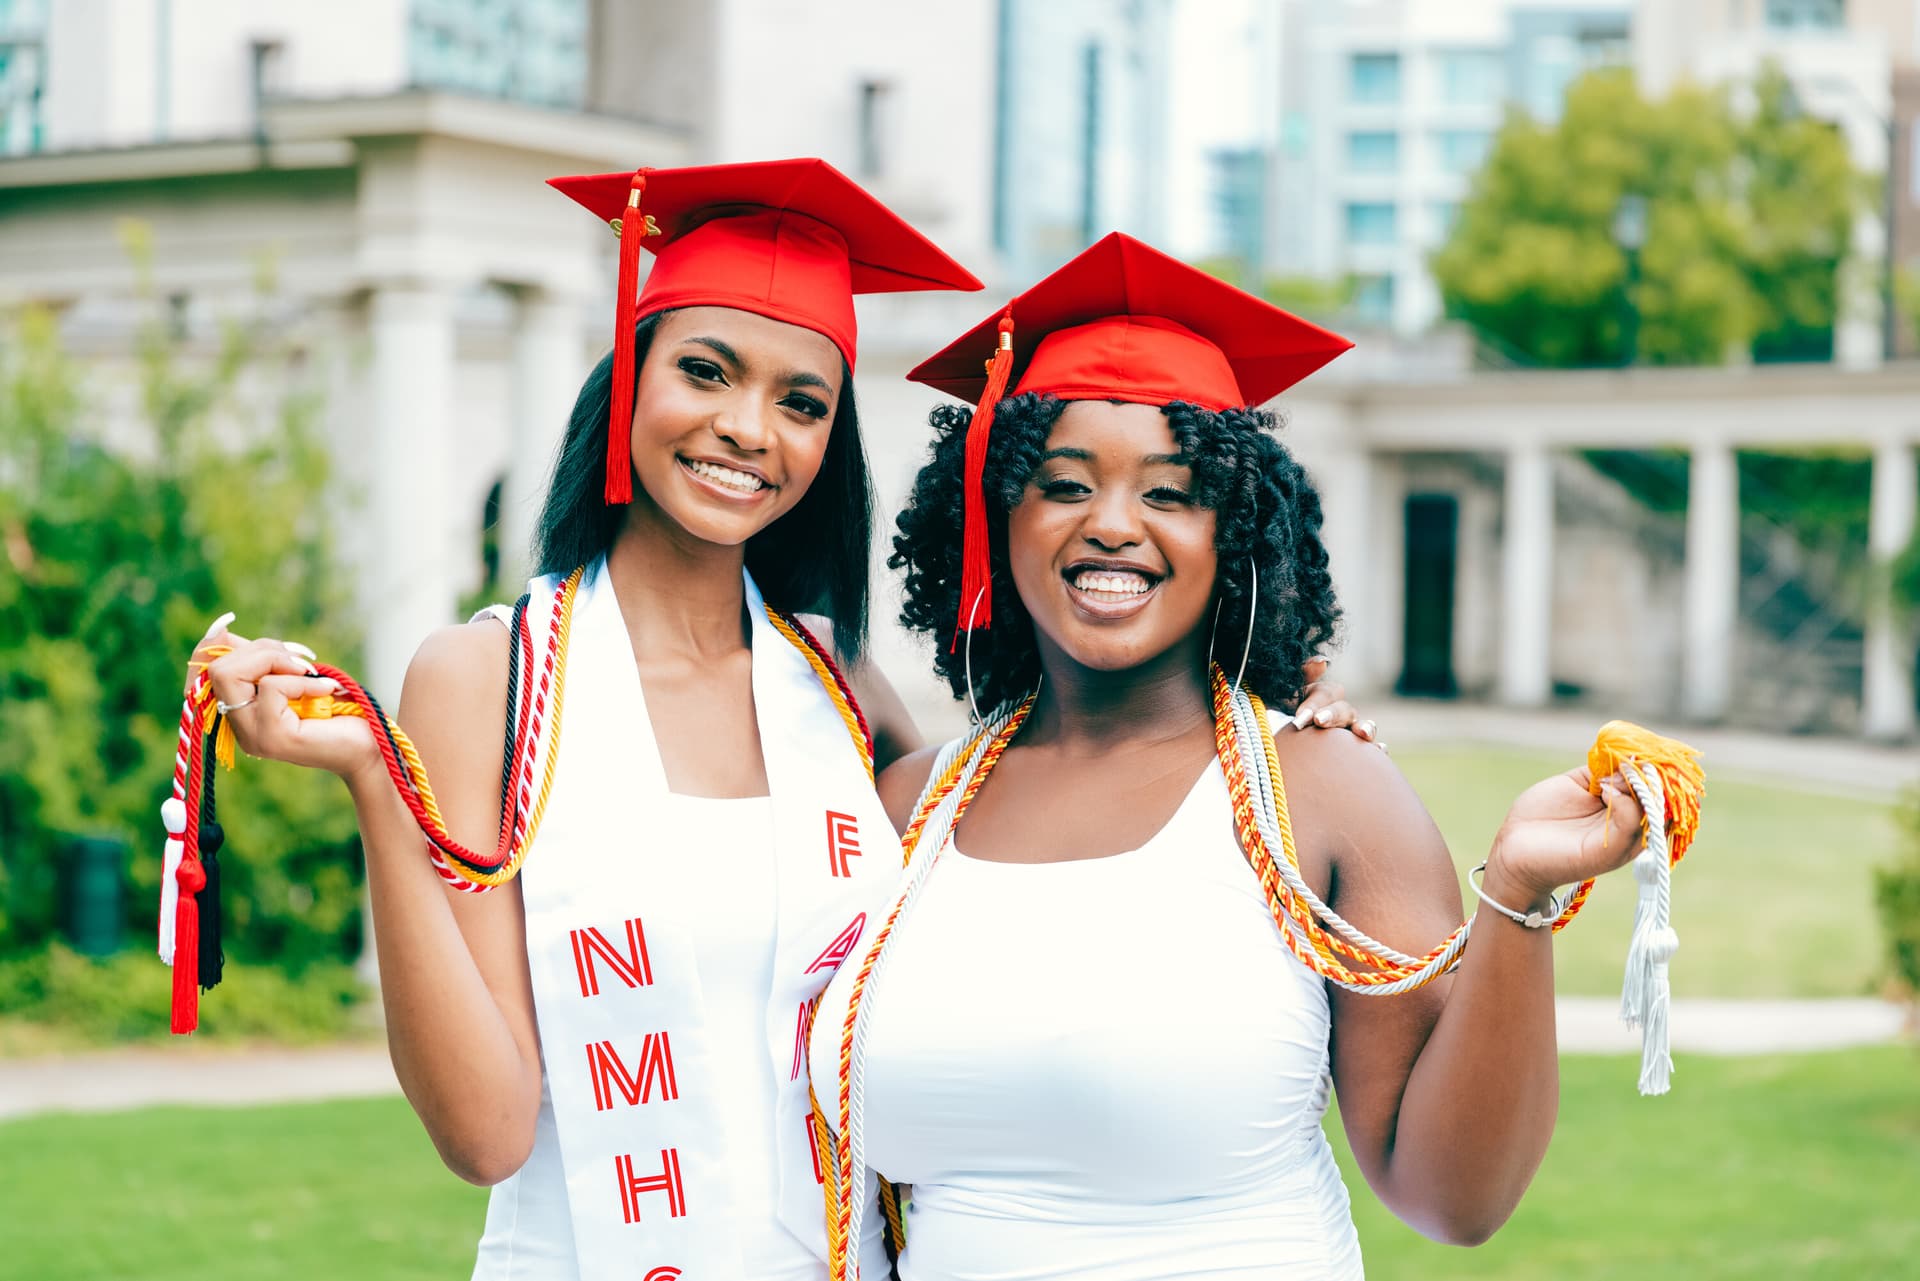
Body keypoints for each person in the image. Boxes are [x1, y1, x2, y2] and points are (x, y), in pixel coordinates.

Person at [184, 162, 1376, 1278]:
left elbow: (1062, 793)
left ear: (827, 443)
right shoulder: (485, 678)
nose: (749, 429)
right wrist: (378, 791)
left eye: (800, 400)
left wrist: (1276, 709)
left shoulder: (845, 694)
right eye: (706, 372)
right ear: (629, 376)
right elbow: (488, 1132)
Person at [811, 232, 1652, 1280]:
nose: (1114, 526)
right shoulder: (905, 809)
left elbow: (1454, 1195)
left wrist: (1519, 898)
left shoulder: (1324, 796)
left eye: (1171, 493)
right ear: (992, 516)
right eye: (1064, 485)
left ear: (1236, 538)